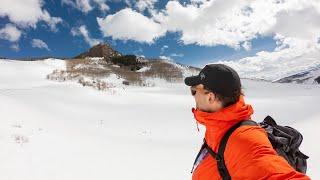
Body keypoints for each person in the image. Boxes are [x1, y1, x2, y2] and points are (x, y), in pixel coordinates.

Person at [184, 64, 310, 180]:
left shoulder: (243, 139)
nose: (193, 96)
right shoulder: (219, 126)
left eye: (194, 91)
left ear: (210, 97)